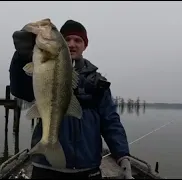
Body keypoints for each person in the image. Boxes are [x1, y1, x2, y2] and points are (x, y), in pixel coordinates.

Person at [9, 19, 133, 179]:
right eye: (67, 39)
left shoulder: (98, 82)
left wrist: (123, 155)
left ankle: (49, 145)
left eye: (78, 40)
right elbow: (20, 89)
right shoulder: (42, 64)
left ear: (85, 45)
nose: (72, 44)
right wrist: (20, 57)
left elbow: (111, 121)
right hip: (46, 166)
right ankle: (47, 146)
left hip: (87, 168)